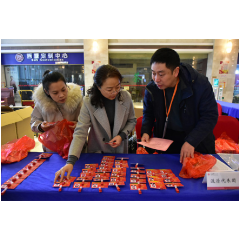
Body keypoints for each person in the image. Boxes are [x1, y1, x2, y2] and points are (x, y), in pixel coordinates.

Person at [54, 64, 137, 182]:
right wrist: (71, 161)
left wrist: (122, 135)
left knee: (119, 184)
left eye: (118, 87)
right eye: (109, 89)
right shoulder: (89, 102)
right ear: (98, 87)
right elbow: (80, 131)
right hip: (98, 151)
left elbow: (132, 120)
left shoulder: (125, 97)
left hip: (120, 150)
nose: (114, 92)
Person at [141, 48, 218, 163]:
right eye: (153, 73)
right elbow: (148, 113)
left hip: (195, 140)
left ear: (176, 71)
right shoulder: (153, 88)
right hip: (166, 140)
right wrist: (146, 131)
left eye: (161, 74)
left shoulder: (199, 84)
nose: (156, 79)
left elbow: (210, 116)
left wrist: (192, 141)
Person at [30, 70, 83, 152]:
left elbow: (87, 121)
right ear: (46, 92)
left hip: (76, 148)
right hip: (52, 149)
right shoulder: (41, 103)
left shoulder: (77, 99)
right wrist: (41, 126)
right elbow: (33, 123)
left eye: (63, 89)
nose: (61, 95)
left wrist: (79, 125)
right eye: (55, 93)